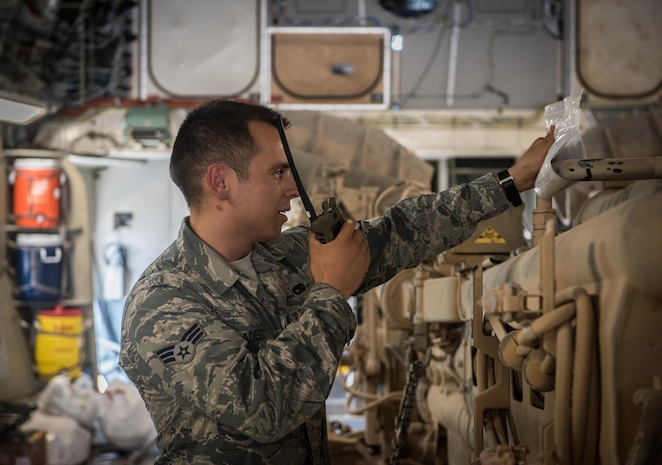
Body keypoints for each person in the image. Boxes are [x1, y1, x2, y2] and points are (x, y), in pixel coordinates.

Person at [119, 98, 556, 464]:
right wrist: (330, 294)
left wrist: (510, 182)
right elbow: (263, 406)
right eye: (277, 172)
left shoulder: (286, 256)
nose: (293, 187)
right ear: (221, 181)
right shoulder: (162, 303)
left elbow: (401, 231)